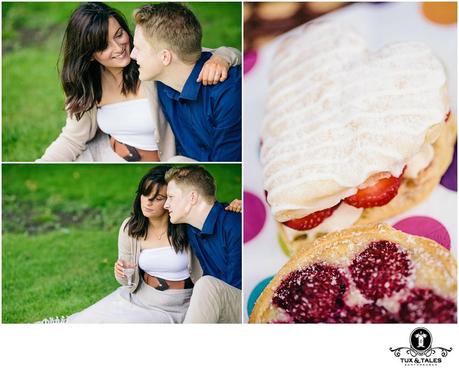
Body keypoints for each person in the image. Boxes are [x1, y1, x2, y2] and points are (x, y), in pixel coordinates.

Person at [37, 2, 241, 162]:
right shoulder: (89, 85)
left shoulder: (151, 67)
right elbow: (72, 138)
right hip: (105, 156)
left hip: (163, 164)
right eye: (103, 45)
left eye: (119, 34)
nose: (119, 48)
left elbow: (188, 54)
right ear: (90, 55)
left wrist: (222, 58)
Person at [40, 166, 241, 323]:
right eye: (145, 195)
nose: (149, 202)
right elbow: (128, 280)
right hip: (142, 295)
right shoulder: (136, 227)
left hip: (184, 302)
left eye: (162, 198)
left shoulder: (186, 226)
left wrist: (240, 206)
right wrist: (122, 274)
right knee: (87, 320)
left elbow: (206, 210)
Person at [131, 3, 242, 162]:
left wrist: (224, 57)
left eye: (138, 48)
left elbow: (228, 160)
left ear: (165, 57)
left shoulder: (227, 94)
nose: (132, 55)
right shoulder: (160, 79)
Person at [164, 166, 242, 323]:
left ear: (192, 198)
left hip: (244, 303)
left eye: (171, 197)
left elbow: (237, 288)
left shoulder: (235, 224)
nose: (166, 204)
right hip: (215, 302)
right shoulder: (191, 228)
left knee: (206, 285)